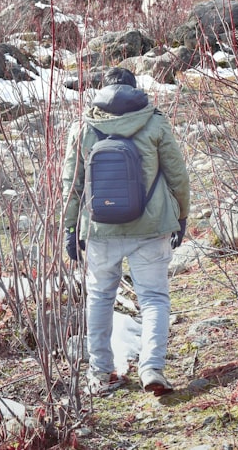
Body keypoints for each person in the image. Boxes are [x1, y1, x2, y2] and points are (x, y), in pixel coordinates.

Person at [61, 67, 191, 396]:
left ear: (102, 91)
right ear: (136, 90)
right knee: (153, 298)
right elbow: (178, 176)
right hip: (150, 228)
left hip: (100, 229)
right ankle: (151, 368)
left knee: (100, 298)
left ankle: (101, 375)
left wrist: (70, 228)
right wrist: (182, 216)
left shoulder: (84, 126)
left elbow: (72, 185)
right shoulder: (154, 122)